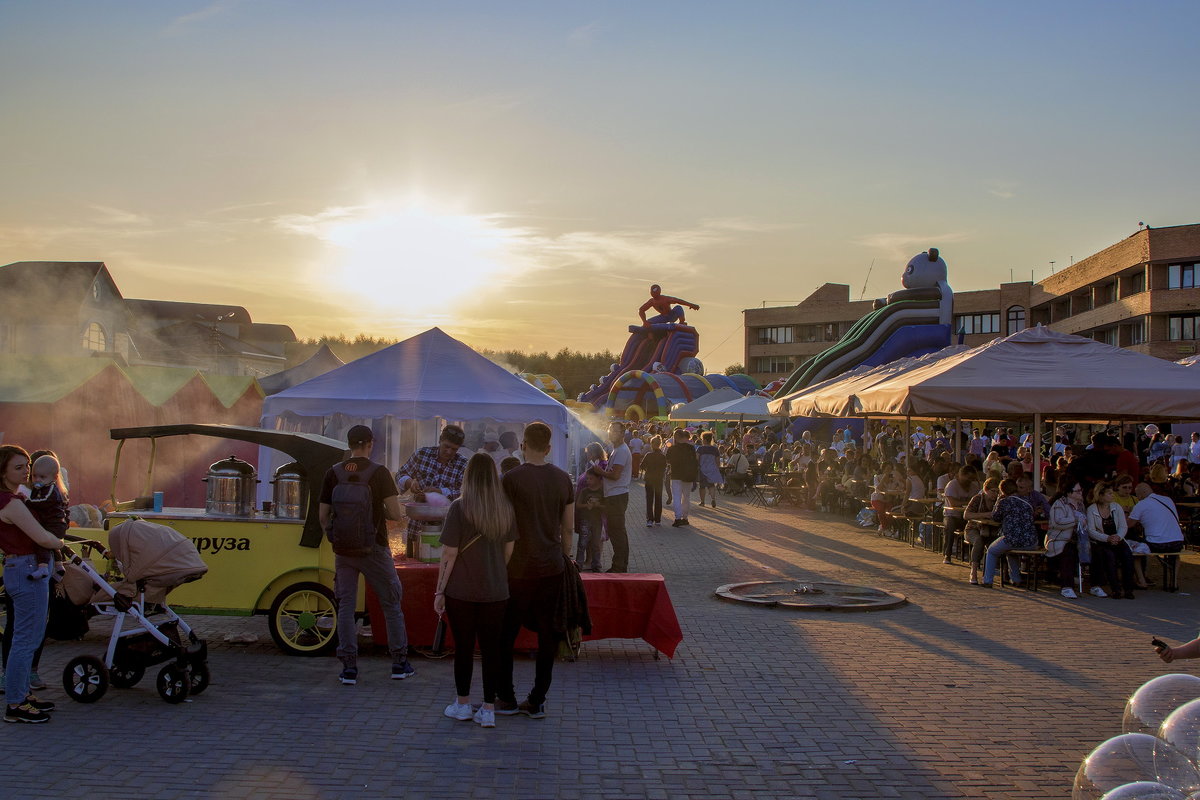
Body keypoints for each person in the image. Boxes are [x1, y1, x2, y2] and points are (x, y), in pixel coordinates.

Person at [319, 425, 414, 685]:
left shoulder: (333, 473)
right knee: (391, 604)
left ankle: (349, 668)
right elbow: (395, 514)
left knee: (346, 607)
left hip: (344, 551)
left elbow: (322, 516)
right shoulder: (380, 473)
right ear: (370, 444)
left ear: (349, 444)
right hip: (375, 549)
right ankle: (399, 663)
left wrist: (336, 538)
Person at [496, 421, 574, 720]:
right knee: (548, 636)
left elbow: (505, 528)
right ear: (550, 447)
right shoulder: (563, 479)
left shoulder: (510, 479)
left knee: (506, 635)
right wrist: (565, 557)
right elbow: (568, 528)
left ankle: (507, 697)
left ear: (523, 444)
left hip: (517, 568)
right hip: (551, 566)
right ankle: (538, 699)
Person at [434, 454, 519, 729]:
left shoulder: (460, 508)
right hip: (496, 591)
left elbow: (449, 553)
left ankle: (462, 704)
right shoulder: (504, 508)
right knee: (492, 650)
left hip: (461, 590)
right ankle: (488, 708)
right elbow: (509, 551)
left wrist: (439, 591)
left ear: (468, 476)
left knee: (464, 648)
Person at [0, 445, 65, 723]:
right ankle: (15, 703)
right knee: (25, 640)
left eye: (27, 466)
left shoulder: (18, 498)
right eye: (18, 467)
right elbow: (42, 537)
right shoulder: (11, 503)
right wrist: (59, 542)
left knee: (30, 637)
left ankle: (22, 694)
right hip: (25, 567)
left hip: (26, 566)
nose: (26, 472)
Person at [396, 424, 469, 543]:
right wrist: (410, 482)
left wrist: (440, 492)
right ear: (440, 440)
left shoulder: (463, 464)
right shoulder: (422, 454)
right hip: (417, 524)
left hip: (447, 525)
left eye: (454, 449)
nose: (449, 451)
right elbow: (400, 475)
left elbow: (465, 493)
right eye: (446, 446)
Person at [1128, 482, 1185, 591]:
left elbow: (1129, 525)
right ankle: (1174, 583)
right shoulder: (1168, 500)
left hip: (1157, 544)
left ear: (1142, 493)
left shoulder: (1141, 504)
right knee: (1175, 555)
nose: (1137, 497)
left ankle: (1142, 581)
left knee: (1136, 553)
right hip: (1177, 542)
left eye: (1137, 494)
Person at [983, 479, 1039, 588]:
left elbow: (995, 517)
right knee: (1010, 552)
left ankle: (988, 580)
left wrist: (999, 501)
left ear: (1002, 491)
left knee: (992, 551)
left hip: (1012, 538)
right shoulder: (1027, 501)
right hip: (1031, 540)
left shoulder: (1004, 502)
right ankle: (1016, 579)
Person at [591, 422, 631, 573]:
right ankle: (619, 563)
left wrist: (599, 471)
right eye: (610, 430)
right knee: (615, 531)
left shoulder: (621, 451)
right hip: (614, 495)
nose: (611, 433)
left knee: (617, 531)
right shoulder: (616, 450)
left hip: (617, 495)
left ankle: (619, 565)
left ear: (622, 433)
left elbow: (615, 475)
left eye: (615, 430)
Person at [1086, 481, 1136, 599]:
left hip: (1117, 539)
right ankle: (1115, 589)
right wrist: (1107, 538)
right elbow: (1091, 530)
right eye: (1109, 493)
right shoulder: (1091, 509)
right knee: (1110, 557)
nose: (1112, 496)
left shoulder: (1116, 507)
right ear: (1101, 495)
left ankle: (1128, 589)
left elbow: (1123, 526)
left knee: (1127, 555)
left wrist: (1118, 537)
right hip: (1101, 541)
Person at [25, 454, 69, 581]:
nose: (37, 479)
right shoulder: (42, 487)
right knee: (52, 545)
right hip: (51, 522)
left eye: (42, 477)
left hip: (54, 523)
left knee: (42, 542)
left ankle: (43, 567)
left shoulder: (51, 489)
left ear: (54, 477)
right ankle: (59, 566)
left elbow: (43, 501)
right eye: (34, 476)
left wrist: (27, 502)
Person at [1046, 482, 1086, 598]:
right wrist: (1075, 520)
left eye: (1080, 490)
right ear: (1069, 493)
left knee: (1098, 549)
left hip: (1078, 538)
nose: (1080, 493)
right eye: (1077, 491)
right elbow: (1057, 522)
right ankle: (1066, 586)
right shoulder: (1059, 504)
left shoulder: (1081, 505)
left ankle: (1096, 585)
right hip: (1059, 538)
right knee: (1068, 551)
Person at [574, 444, 606, 572]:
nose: (587, 455)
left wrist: (597, 504)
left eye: (588, 453)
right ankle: (584, 562)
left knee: (595, 541)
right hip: (586, 516)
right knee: (583, 541)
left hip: (596, 517)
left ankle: (594, 563)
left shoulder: (600, 465)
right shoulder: (593, 464)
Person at [941, 466, 978, 565]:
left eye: (972, 478)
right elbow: (953, 503)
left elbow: (976, 502)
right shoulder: (952, 485)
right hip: (951, 515)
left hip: (967, 516)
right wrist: (968, 502)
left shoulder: (974, 487)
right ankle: (947, 554)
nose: (970, 480)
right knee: (950, 525)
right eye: (968, 478)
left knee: (976, 526)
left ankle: (970, 554)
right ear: (961, 475)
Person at [666, 428, 698, 527]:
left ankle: (677, 518)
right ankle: (685, 518)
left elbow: (667, 460)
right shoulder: (691, 448)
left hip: (676, 475)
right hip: (688, 475)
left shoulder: (672, 449)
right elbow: (695, 461)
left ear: (676, 437)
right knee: (686, 497)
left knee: (677, 497)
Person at [641, 435, 667, 526]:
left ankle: (649, 520)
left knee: (649, 499)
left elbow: (642, 466)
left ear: (652, 444)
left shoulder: (648, 455)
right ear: (660, 444)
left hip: (649, 479)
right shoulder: (663, 456)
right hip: (659, 479)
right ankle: (658, 519)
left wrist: (648, 469)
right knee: (658, 499)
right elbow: (665, 467)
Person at [696, 431, 722, 509]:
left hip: (702, 469)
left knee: (702, 486)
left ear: (704, 439)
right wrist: (716, 468)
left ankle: (702, 502)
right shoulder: (715, 449)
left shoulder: (700, 449)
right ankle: (713, 498)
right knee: (711, 485)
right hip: (712, 469)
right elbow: (717, 461)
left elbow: (696, 459)